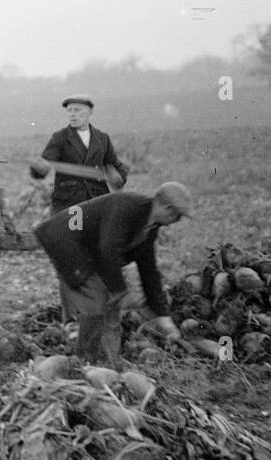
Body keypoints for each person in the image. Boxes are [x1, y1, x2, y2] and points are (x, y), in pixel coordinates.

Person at [33, 183, 192, 367]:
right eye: (178, 215)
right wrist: (120, 291)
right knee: (96, 303)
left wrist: (162, 315)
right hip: (67, 241)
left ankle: (108, 361)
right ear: (168, 209)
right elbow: (108, 249)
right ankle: (85, 363)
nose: (177, 220)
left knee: (110, 304)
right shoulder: (128, 207)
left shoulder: (149, 226)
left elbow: (148, 270)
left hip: (89, 251)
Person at [29, 96, 128, 215]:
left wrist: (118, 177)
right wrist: (38, 169)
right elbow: (44, 164)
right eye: (70, 111)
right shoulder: (60, 138)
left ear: (89, 112)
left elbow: (116, 166)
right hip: (68, 204)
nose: (72, 114)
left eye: (77, 110)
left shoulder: (102, 139)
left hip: (98, 201)